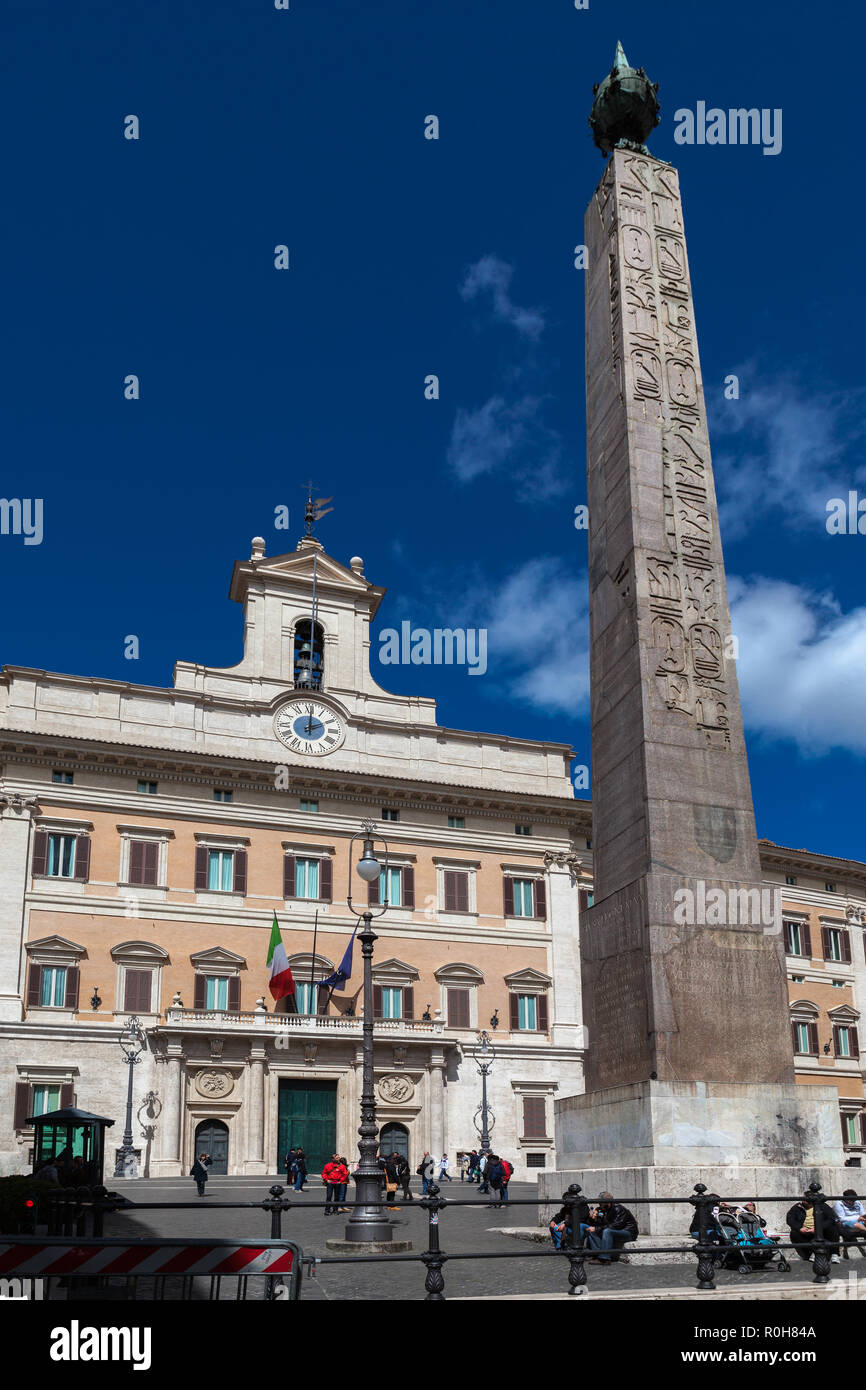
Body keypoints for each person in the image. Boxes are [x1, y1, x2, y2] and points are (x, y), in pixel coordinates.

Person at [785, 1193, 841, 1263]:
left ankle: (834, 1253)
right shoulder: (797, 1207)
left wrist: (819, 1228)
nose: (804, 1200)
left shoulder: (822, 1206)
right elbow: (790, 1219)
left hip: (820, 1230)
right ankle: (813, 1251)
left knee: (832, 1228)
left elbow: (831, 1218)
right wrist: (799, 1228)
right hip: (805, 1230)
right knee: (794, 1233)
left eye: (806, 1199)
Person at [585, 1192, 638, 1264]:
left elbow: (616, 1226)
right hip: (615, 1231)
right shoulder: (603, 1210)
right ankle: (597, 1254)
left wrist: (597, 1228)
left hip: (628, 1232)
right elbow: (598, 1225)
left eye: (601, 1203)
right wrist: (593, 1218)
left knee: (607, 1231)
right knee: (591, 1230)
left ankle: (604, 1259)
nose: (599, 1204)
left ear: (607, 1202)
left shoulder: (618, 1209)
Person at [832, 1189, 866, 1257]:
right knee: (856, 1224)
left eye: (854, 1200)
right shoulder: (839, 1204)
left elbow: (863, 1214)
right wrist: (858, 1218)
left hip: (860, 1222)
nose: (853, 1202)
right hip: (847, 1223)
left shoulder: (857, 1203)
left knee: (859, 1224)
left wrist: (862, 1218)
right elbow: (842, 1218)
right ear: (845, 1199)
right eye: (851, 1200)